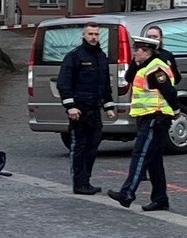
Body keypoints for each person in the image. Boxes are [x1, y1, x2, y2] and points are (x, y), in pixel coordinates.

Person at [108, 36, 179, 212]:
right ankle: (160, 199)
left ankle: (127, 193)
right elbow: (129, 76)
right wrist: (136, 61)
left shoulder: (155, 68)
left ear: (146, 51)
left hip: (155, 118)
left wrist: (176, 111)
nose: (134, 53)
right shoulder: (145, 66)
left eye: (137, 50)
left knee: (140, 155)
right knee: (153, 161)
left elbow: (169, 90)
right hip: (148, 118)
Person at [57, 22, 115, 195]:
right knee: (79, 146)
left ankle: (86, 180)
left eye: (96, 34)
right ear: (83, 35)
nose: (93, 37)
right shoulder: (74, 56)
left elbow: (105, 84)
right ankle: (79, 183)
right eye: (90, 34)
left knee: (93, 145)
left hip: (94, 109)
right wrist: (70, 107)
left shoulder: (101, 57)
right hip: (79, 110)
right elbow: (64, 83)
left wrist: (108, 106)